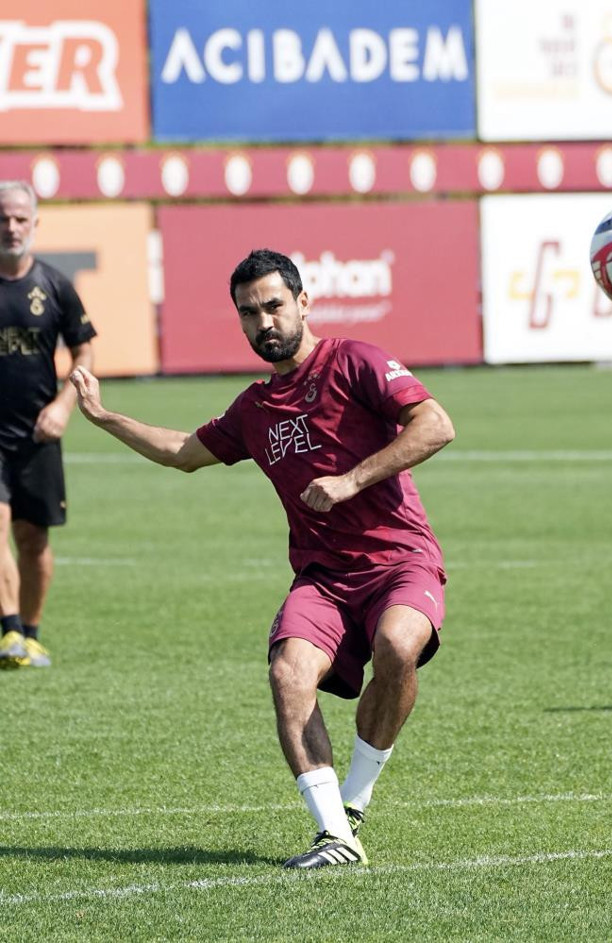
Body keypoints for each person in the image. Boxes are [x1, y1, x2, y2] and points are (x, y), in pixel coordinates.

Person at [69, 248, 454, 869]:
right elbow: (182, 452)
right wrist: (106, 417)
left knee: (397, 646)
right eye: (249, 313)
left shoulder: (354, 361)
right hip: (324, 578)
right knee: (287, 674)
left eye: (274, 305)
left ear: (303, 303)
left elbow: (435, 424)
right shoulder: (255, 409)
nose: (263, 322)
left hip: (400, 559)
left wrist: (351, 481)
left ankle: (355, 798)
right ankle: (335, 835)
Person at [0, 180, 96, 670]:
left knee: (34, 540)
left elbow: (84, 350)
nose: (11, 227)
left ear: (34, 224)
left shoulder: (54, 285)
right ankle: (9, 631)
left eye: (20, 218)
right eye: (3, 218)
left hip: (36, 434)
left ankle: (30, 634)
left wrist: (63, 405)